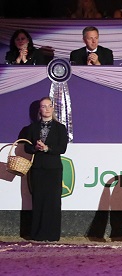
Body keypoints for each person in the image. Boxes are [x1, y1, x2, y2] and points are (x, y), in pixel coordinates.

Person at [20, 97, 68, 241]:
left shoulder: (60, 128)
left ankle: (52, 234)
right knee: (38, 199)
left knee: (53, 201)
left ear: (53, 108)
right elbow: (27, 147)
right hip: (38, 168)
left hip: (53, 169)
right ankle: (37, 234)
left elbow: (62, 148)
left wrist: (47, 148)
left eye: (49, 106)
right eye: (43, 106)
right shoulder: (32, 128)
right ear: (39, 109)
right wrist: (36, 148)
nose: (46, 109)